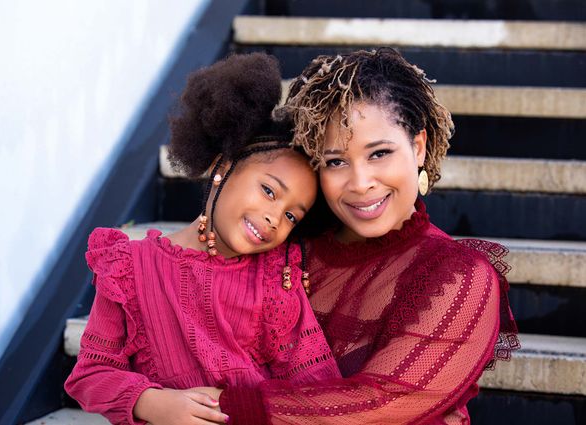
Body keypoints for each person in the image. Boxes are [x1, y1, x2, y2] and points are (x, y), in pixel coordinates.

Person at [217, 48, 520, 424]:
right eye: (335, 162)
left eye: (378, 153)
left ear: (419, 146)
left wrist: (221, 408)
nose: (360, 184)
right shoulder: (286, 247)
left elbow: (382, 404)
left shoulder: (459, 277)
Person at [64, 53, 341, 425]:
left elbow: (314, 378)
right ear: (222, 167)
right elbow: (92, 374)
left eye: (292, 215)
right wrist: (151, 402)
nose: (275, 218)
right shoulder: (129, 267)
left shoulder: (278, 275)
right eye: (269, 191)